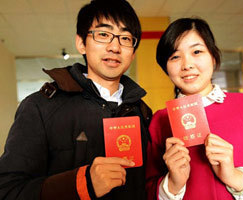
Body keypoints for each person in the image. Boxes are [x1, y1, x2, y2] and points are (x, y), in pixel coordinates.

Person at [0, 0, 152, 199]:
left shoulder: (143, 112)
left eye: (125, 38)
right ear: (81, 43)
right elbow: (7, 190)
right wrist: (82, 183)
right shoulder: (41, 107)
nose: (115, 46)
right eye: (103, 35)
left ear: (132, 53)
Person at [146, 17, 243, 200]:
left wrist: (236, 178)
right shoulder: (159, 121)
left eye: (197, 51)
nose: (187, 65)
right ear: (166, 67)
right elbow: (145, 190)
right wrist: (172, 184)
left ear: (213, 57)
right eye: (175, 56)